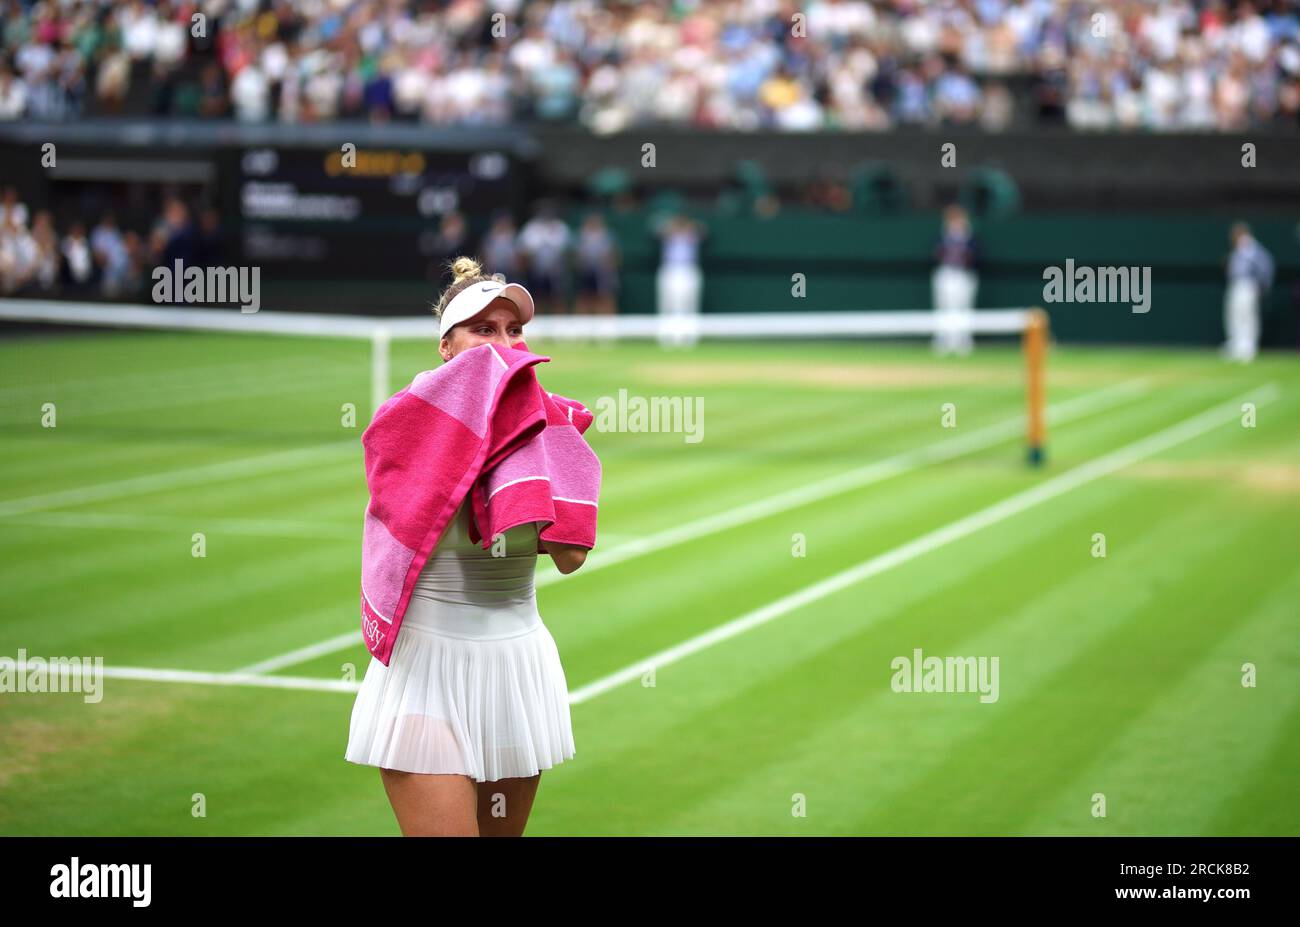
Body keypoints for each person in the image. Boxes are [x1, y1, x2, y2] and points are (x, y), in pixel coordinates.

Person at [345, 255, 588, 837]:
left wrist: (530, 443)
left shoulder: (546, 426)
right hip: (427, 671)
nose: (504, 343)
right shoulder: (407, 422)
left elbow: (571, 556)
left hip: (516, 666)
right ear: (447, 346)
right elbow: (404, 516)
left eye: (514, 330)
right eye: (484, 330)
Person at [931, 203, 979, 356]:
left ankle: (963, 341)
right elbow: (935, 254)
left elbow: (977, 256)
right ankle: (943, 341)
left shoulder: (970, 238)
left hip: (964, 275)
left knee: (964, 307)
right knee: (944, 307)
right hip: (946, 274)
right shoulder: (942, 237)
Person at [1223, 221, 1273, 363]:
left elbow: (1265, 265)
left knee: (1248, 316)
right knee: (1234, 314)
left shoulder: (1252, 248)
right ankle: (1236, 344)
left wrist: (1261, 285)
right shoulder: (1239, 249)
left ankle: (1248, 347)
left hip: (1248, 285)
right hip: (1236, 284)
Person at [655, 211, 707, 348]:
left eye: (682, 222)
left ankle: (689, 337)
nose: (680, 225)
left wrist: (689, 227)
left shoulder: (693, 235)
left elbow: (704, 233)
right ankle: (667, 337)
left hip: (688, 270)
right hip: (670, 270)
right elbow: (656, 233)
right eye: (678, 222)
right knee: (668, 304)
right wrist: (671, 227)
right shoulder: (668, 234)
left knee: (689, 304)